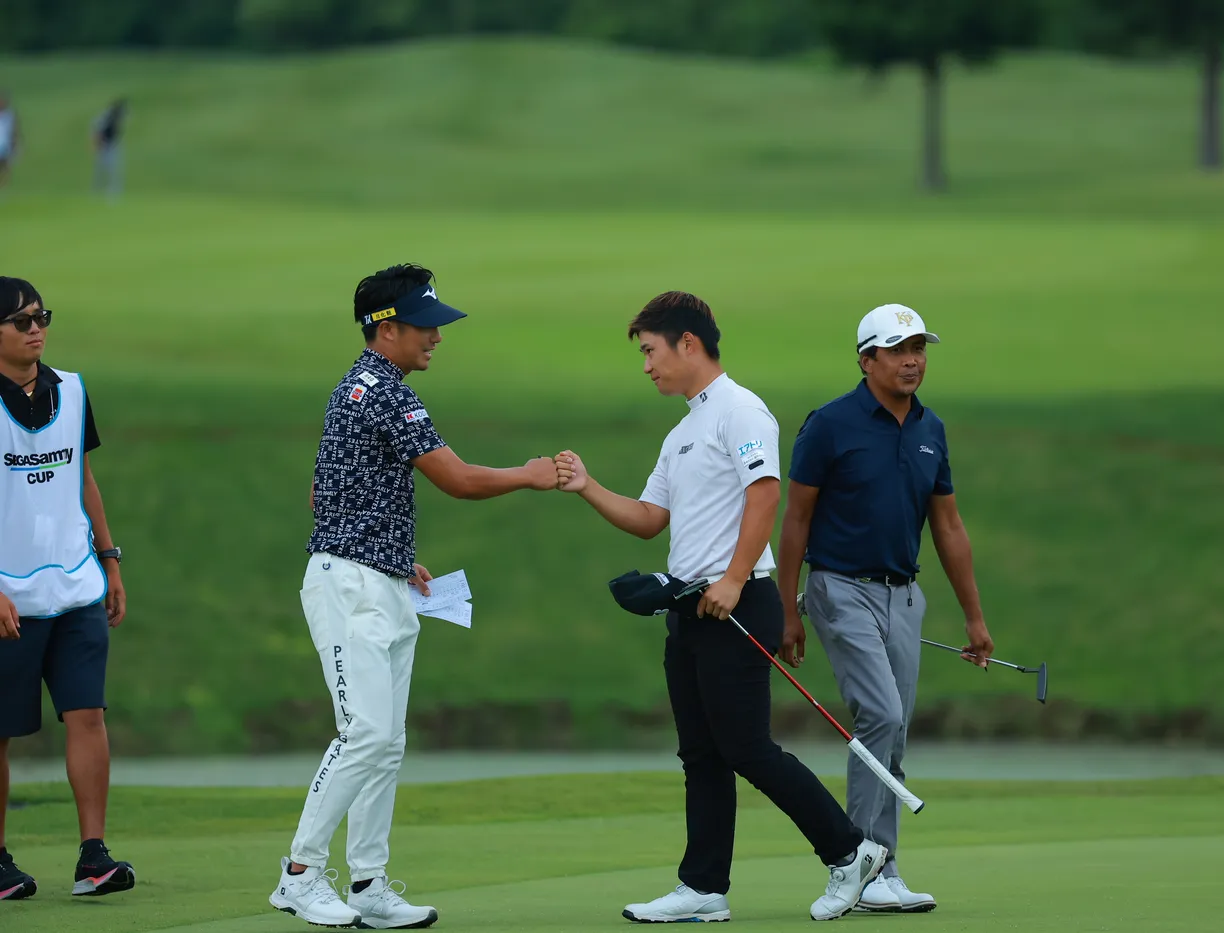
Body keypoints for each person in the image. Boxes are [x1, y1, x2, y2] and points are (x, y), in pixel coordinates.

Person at [554, 291, 887, 923]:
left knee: (747, 749)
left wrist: (734, 578)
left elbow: (765, 494)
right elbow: (649, 519)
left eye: (650, 351)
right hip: (691, 608)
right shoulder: (682, 433)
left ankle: (850, 852)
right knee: (702, 755)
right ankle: (704, 887)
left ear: (687, 343)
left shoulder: (740, 410)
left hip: (736, 602)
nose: (646, 366)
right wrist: (587, 486)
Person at [268, 263, 558, 929]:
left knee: (387, 741)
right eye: (424, 325)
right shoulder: (384, 393)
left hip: (382, 577)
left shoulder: (357, 388)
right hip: (350, 587)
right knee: (365, 734)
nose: (436, 336)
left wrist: (391, 553)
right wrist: (530, 474)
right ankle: (299, 873)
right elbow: (458, 480)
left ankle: (368, 883)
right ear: (386, 328)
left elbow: (323, 493)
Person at [776, 303, 995, 913]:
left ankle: (882, 870)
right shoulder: (829, 424)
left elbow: (948, 528)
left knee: (892, 734)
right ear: (866, 360)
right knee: (881, 714)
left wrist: (974, 617)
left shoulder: (930, 429)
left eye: (919, 348)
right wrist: (787, 609)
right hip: (839, 589)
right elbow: (795, 519)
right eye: (898, 350)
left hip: (905, 595)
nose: (912, 361)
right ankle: (854, 860)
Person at [0, 276, 133, 901]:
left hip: (76, 585)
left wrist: (109, 560)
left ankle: (93, 856)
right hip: (8, 599)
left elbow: (82, 477)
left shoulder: (72, 390)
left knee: (87, 714)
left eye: (41, 317)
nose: (36, 329)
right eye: (20, 320)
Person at [91, 99, 125, 198]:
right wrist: (96, 144)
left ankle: (113, 192)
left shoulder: (115, 118)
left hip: (113, 146)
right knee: (101, 170)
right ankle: (97, 191)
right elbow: (97, 131)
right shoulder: (106, 118)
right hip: (104, 146)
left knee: (113, 170)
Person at [0, 93, 19, 190]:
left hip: (4, 144)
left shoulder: (9, 116)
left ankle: (4, 184)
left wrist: (14, 142)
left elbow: (13, 130)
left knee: (5, 166)